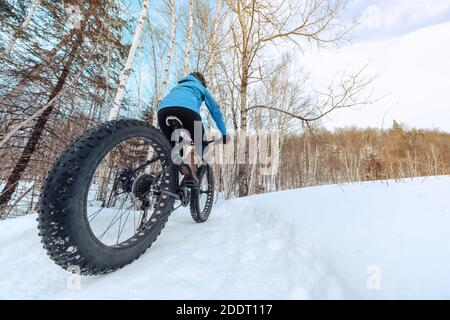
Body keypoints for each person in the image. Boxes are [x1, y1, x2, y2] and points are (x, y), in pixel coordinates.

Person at [157, 72, 227, 183]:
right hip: (188, 112)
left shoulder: (177, 87)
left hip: (163, 111)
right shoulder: (201, 87)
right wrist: (224, 133)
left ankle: (165, 184)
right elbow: (215, 110)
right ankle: (190, 166)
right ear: (201, 81)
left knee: (173, 149)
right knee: (202, 144)